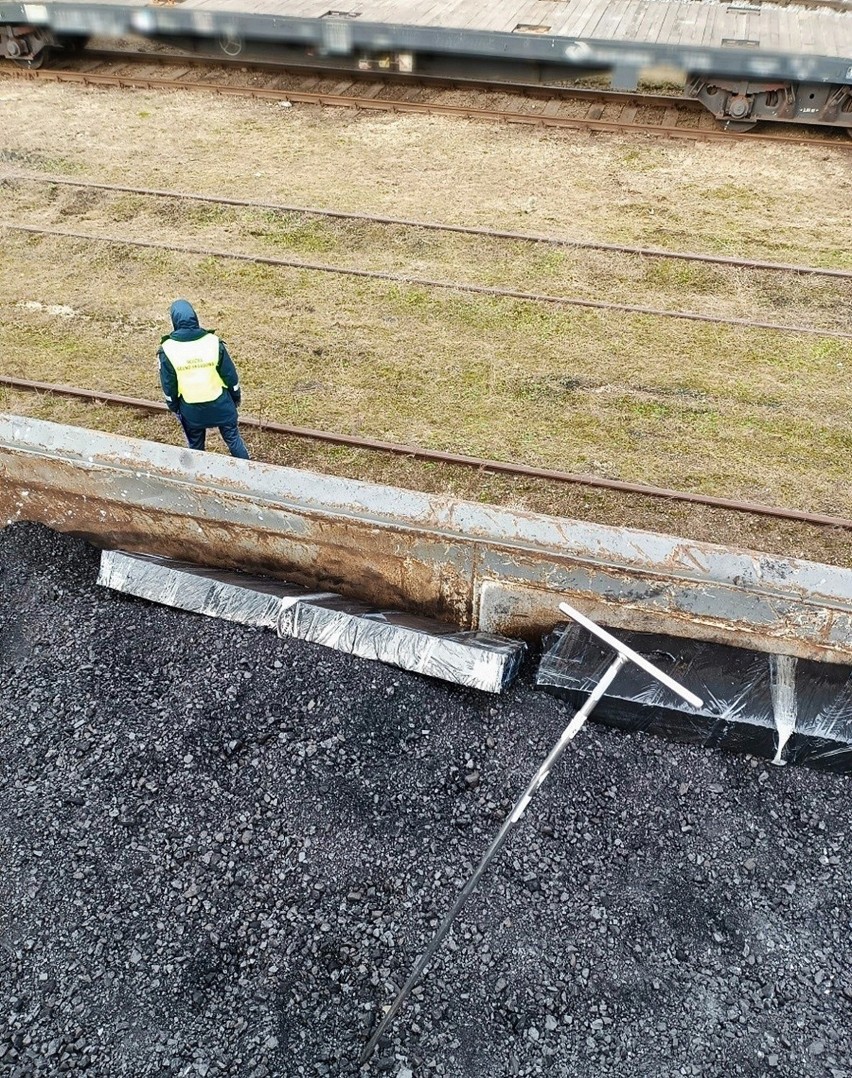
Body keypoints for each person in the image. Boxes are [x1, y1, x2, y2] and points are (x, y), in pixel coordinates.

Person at [157, 299, 250, 459]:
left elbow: (169, 385)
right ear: (195, 318)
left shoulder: (168, 350)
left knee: (196, 446)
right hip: (221, 405)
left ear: (174, 321)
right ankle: (249, 474)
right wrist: (236, 398)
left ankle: (198, 478)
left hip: (191, 410)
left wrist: (174, 407)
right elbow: (230, 376)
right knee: (233, 440)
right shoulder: (213, 342)